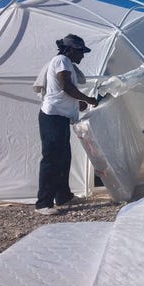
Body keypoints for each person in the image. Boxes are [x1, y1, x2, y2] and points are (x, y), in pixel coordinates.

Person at [35, 34, 98, 215]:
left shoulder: (66, 62)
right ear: (70, 50)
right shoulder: (62, 60)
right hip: (52, 116)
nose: (82, 56)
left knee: (63, 158)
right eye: (80, 51)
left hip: (60, 116)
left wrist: (78, 103)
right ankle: (43, 203)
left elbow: (62, 91)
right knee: (51, 159)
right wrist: (87, 98)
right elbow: (66, 87)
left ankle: (63, 196)